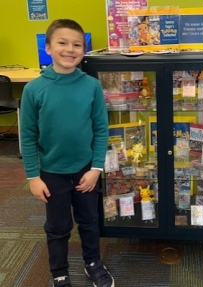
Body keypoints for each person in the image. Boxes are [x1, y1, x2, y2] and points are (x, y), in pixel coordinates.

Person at [20, 19, 114, 287]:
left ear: (84, 50)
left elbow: (100, 129)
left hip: (86, 170)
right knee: (58, 228)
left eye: (77, 44)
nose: (70, 49)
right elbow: (26, 136)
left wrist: (96, 168)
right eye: (62, 42)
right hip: (51, 174)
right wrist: (33, 177)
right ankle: (59, 272)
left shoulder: (91, 86)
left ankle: (93, 263)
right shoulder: (34, 89)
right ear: (48, 47)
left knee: (89, 221)